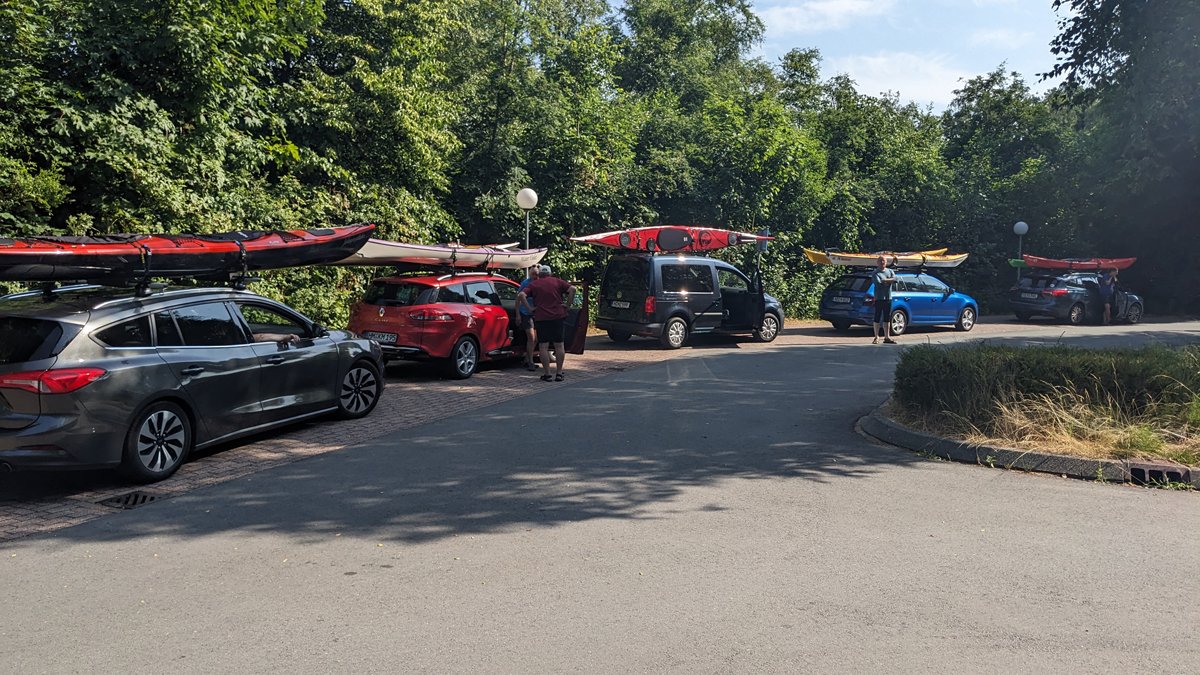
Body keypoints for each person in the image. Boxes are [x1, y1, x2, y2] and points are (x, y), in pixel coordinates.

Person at [517, 264, 577, 382]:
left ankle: (547, 374)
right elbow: (573, 289)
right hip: (558, 317)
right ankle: (559, 373)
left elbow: (521, 295)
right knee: (559, 345)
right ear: (550, 273)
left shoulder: (534, 284)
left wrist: (530, 308)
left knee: (543, 346)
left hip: (542, 317)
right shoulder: (557, 282)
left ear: (539, 274)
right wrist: (568, 305)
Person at [516, 265, 540, 370]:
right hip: (526, 313)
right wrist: (518, 315)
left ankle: (527, 359)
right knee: (531, 337)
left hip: (536, 313)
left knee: (536, 339)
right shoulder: (525, 283)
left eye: (537, 274)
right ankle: (530, 362)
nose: (535, 276)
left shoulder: (540, 283)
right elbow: (518, 299)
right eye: (533, 274)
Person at [872, 255, 897, 344]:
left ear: (886, 262)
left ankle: (887, 337)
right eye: (880, 261)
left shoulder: (890, 271)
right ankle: (876, 337)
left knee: (887, 317)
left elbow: (895, 279)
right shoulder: (875, 273)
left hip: (888, 298)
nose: (882, 262)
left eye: (884, 261)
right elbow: (878, 283)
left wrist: (885, 280)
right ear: (877, 262)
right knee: (877, 317)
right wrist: (890, 281)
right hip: (879, 298)